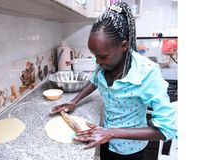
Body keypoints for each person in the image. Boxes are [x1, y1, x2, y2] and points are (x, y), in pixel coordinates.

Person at [51, 2, 177, 160]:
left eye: (102, 56)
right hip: (105, 140)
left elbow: (166, 130)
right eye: (95, 56)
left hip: (130, 150)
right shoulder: (105, 64)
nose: (97, 62)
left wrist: (111, 133)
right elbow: (95, 80)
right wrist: (74, 101)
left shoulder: (146, 73)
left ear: (123, 46)